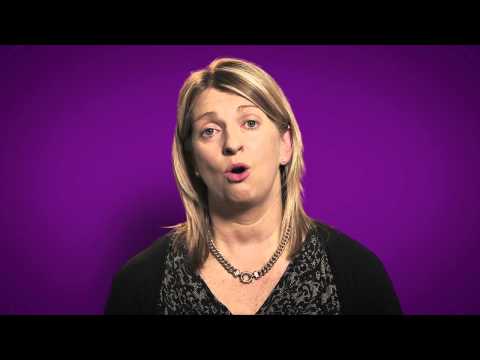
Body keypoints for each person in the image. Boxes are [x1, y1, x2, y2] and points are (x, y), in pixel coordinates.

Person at [104, 57, 402, 315]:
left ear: (285, 144)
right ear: (192, 159)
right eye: (209, 131)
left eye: (250, 123)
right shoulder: (140, 282)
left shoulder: (357, 272)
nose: (232, 144)